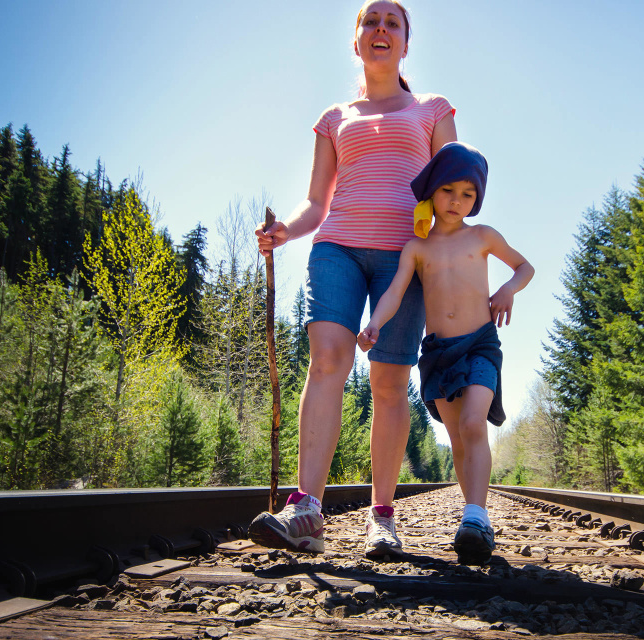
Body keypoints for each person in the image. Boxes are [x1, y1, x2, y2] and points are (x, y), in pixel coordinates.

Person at [248, 0, 457, 557]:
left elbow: (451, 193)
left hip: (404, 260)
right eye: (371, 22)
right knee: (328, 361)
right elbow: (317, 203)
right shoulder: (334, 117)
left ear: (406, 44)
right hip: (336, 247)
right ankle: (306, 512)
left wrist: (452, 260)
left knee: (389, 383)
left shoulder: (432, 111)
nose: (381, 29)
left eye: (393, 23)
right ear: (356, 41)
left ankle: (382, 518)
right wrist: (285, 232)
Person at [358, 142, 534, 564]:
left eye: (468, 194)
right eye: (448, 191)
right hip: (438, 353)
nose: (457, 201)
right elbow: (396, 291)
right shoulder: (417, 248)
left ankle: (477, 516)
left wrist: (508, 289)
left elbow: (524, 267)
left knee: (475, 422)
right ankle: (471, 519)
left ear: (477, 199)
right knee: (458, 436)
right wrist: (375, 324)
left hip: (480, 345)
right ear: (432, 191)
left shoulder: (483, 236)